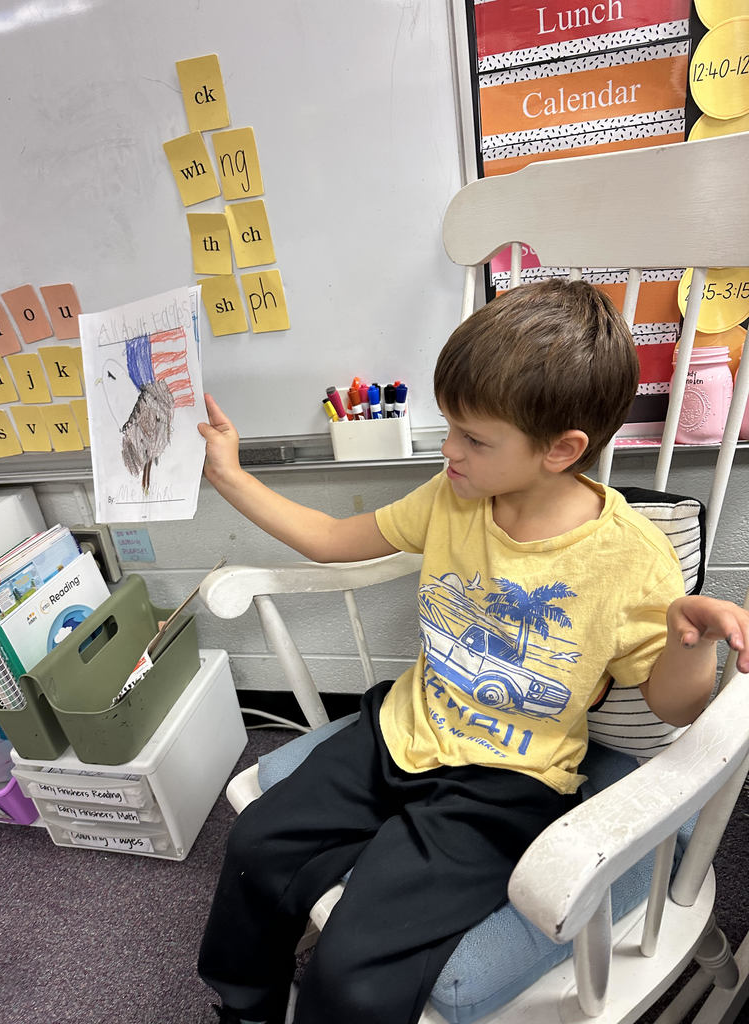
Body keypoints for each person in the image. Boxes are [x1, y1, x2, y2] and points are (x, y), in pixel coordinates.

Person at [196, 279, 749, 1024]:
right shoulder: (451, 496)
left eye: (474, 438)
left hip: (507, 782)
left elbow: (675, 706)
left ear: (563, 449)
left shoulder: (632, 559)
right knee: (260, 845)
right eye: (450, 426)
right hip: (401, 730)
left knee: (357, 973)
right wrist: (230, 475)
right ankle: (247, 1007)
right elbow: (331, 541)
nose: (449, 450)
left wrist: (690, 640)